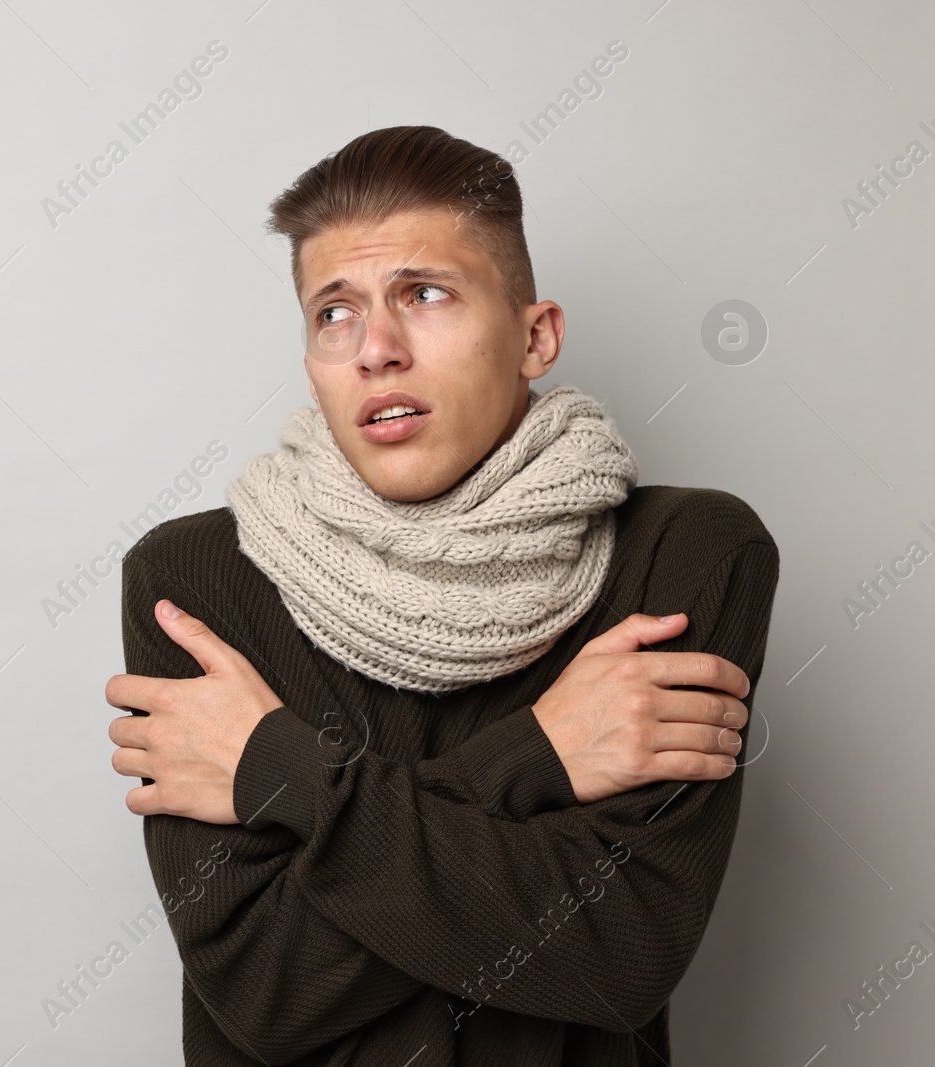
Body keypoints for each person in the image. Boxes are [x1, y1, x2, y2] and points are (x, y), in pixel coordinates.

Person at [104, 125, 780, 1065]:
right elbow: (267, 989)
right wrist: (541, 752)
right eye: (333, 313)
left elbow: (613, 957)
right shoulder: (192, 580)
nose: (376, 348)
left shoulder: (686, 554)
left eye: (426, 294)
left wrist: (280, 771)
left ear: (534, 336)